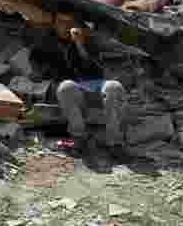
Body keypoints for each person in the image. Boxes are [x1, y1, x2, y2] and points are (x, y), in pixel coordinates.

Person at [27, 13, 126, 154]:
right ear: (54, 24)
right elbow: (37, 67)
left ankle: (115, 142)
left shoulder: (88, 41)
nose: (66, 26)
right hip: (70, 93)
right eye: (61, 22)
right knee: (66, 86)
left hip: (93, 88)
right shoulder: (46, 43)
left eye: (70, 23)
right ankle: (79, 137)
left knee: (113, 86)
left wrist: (80, 45)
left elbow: (95, 69)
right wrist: (39, 74)